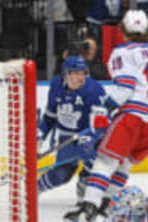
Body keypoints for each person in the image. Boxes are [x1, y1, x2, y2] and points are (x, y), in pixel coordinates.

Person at [61, 10, 148, 222]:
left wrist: (102, 111)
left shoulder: (122, 52)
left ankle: (88, 211)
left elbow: (125, 89)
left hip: (135, 116)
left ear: (122, 31)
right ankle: (106, 203)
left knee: (105, 161)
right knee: (125, 162)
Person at [38, 55, 113, 200]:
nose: (81, 77)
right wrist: (40, 135)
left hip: (92, 134)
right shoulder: (56, 85)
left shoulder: (94, 90)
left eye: (83, 73)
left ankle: (85, 186)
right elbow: (50, 116)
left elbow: (101, 123)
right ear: (66, 74)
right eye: (76, 73)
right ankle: (35, 188)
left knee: (93, 164)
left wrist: (90, 139)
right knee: (61, 175)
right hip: (67, 135)